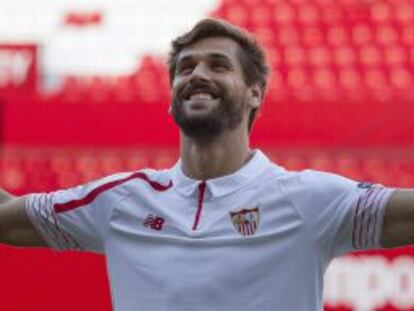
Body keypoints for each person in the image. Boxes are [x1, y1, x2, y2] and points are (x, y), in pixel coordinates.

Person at [0, 18, 412, 311]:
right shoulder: (120, 201)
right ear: (171, 96)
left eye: (218, 65)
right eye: (186, 67)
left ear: (255, 93)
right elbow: (6, 218)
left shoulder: (309, 199)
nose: (197, 74)